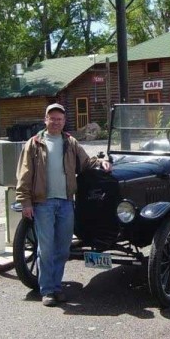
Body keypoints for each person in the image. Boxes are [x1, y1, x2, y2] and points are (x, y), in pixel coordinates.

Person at [16, 103, 111, 306]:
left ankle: (56, 286)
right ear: (46, 120)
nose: (56, 122)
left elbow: (85, 162)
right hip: (43, 203)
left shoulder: (70, 142)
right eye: (52, 118)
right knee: (46, 249)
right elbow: (24, 176)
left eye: (60, 119)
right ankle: (47, 290)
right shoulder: (33, 144)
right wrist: (25, 202)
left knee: (62, 249)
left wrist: (100, 163)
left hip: (66, 202)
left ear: (64, 122)